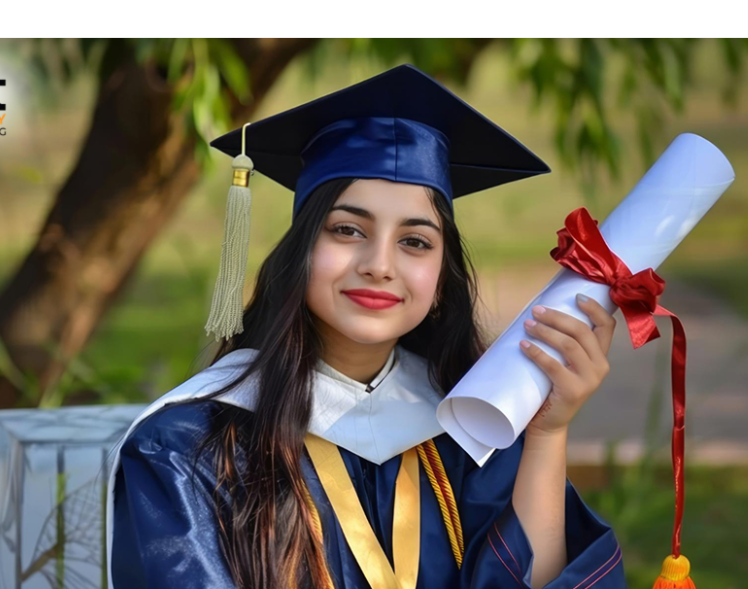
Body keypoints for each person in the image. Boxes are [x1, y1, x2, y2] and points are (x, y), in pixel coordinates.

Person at [105, 63, 628, 589]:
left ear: (441, 281)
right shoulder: (188, 448)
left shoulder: (466, 434)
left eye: (415, 241)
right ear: (300, 253)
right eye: (348, 229)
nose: (380, 264)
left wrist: (546, 433)